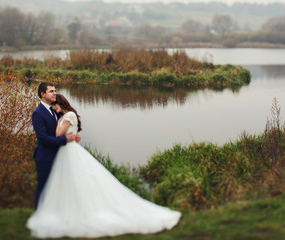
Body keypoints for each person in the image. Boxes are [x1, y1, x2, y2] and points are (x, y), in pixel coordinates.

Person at [27, 94, 181, 238]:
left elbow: (57, 135)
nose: (54, 108)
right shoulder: (62, 116)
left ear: (61, 104)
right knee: (66, 183)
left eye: (55, 105)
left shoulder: (68, 116)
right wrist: (67, 132)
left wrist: (65, 131)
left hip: (69, 151)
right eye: (52, 105)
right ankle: (64, 210)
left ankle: (79, 211)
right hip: (64, 151)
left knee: (76, 180)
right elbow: (61, 135)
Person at [31, 82, 80, 209]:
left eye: (55, 90)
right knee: (44, 187)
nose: (55, 93)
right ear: (42, 94)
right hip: (44, 157)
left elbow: (64, 126)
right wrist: (65, 140)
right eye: (51, 91)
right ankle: (39, 214)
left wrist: (73, 136)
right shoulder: (38, 113)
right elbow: (43, 138)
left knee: (57, 188)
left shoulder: (56, 111)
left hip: (59, 156)